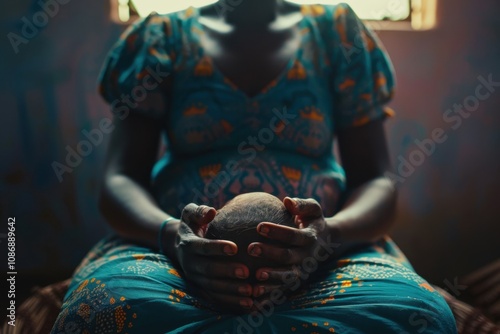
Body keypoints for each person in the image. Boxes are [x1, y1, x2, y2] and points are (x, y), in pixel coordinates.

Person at [51, 1, 457, 333]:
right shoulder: (162, 40)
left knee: (414, 316)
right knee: (100, 314)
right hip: (175, 255)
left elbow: (377, 182)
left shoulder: (338, 36)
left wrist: (330, 235)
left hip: (325, 255)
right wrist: (173, 236)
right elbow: (120, 180)